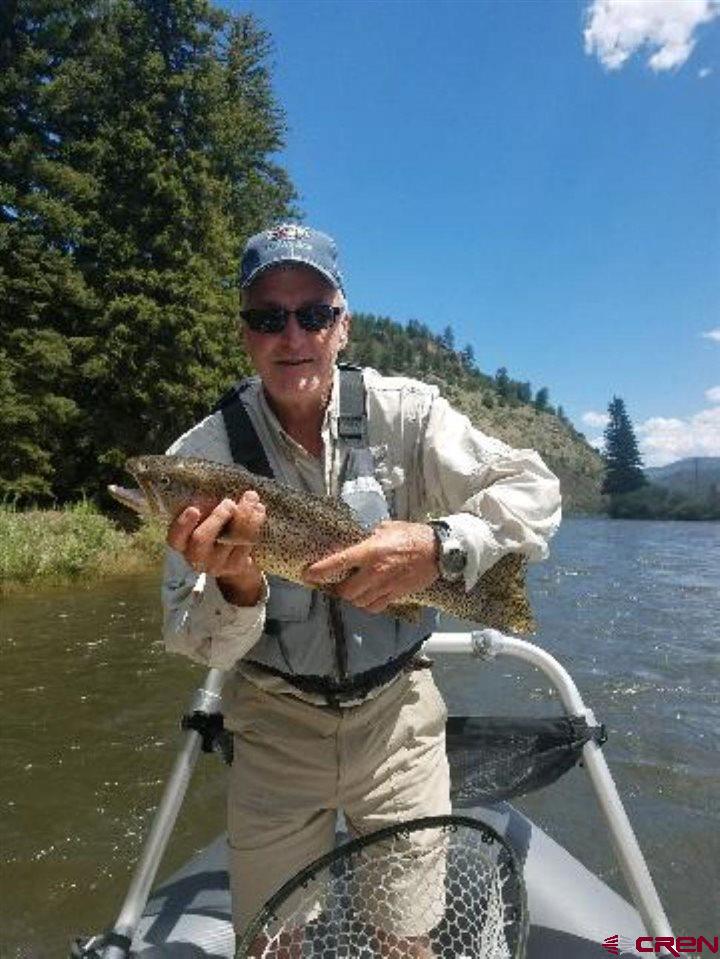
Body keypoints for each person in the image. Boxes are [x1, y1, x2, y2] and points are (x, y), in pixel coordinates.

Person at [162, 224, 561, 956]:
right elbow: (193, 640)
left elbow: (536, 487)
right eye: (268, 316)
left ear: (342, 325)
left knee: (405, 937)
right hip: (273, 727)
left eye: (313, 312)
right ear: (246, 334)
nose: (293, 335)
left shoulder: (407, 413)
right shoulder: (197, 461)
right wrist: (238, 585)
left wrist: (440, 542)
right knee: (269, 944)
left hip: (398, 720)